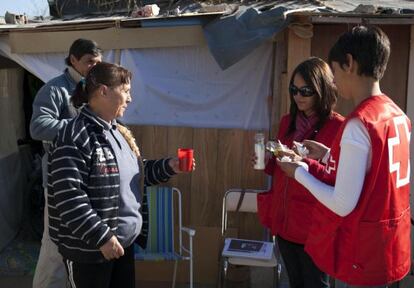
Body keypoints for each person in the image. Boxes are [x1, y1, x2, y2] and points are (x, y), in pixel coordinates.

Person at [277, 26, 411, 287]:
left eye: (335, 70)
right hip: (392, 242)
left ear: (349, 63)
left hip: (366, 248)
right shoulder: (397, 115)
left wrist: (298, 172)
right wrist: (328, 155)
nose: (334, 80)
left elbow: (342, 203)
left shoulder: (359, 123)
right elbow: (376, 171)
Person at [47, 62, 194, 288]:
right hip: (92, 250)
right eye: (125, 91)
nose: (130, 98)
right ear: (104, 91)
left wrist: (170, 166)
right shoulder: (74, 135)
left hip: (121, 246)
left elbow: (134, 174)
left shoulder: (118, 130)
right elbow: (69, 196)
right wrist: (102, 237)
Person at [256, 57, 344, 288]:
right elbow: (279, 168)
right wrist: (268, 159)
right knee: (294, 282)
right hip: (285, 221)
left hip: (314, 228)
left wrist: (303, 163)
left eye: (306, 90)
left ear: (322, 89)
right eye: (294, 89)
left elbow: (339, 177)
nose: (298, 96)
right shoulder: (288, 122)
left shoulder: (338, 127)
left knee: (316, 284)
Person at [30, 38, 102, 288]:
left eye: (98, 62)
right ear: (73, 60)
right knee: (54, 244)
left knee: (79, 242)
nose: (94, 67)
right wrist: (80, 127)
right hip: (60, 180)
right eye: (89, 62)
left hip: (88, 180)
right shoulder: (55, 89)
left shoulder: (94, 88)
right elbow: (38, 127)